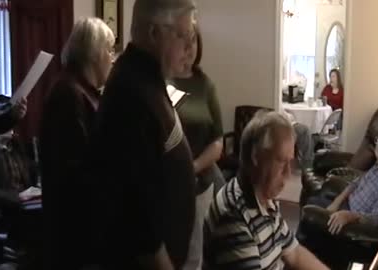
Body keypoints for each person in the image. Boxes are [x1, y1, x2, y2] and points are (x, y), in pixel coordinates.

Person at [86, 0, 197, 269]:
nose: (190, 47)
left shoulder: (146, 79)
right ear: (155, 33)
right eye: (184, 35)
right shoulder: (131, 92)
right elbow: (137, 212)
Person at [203, 111, 329, 270]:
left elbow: (294, 253)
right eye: (282, 162)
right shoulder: (234, 217)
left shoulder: (264, 197)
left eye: (290, 162)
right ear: (256, 156)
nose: (288, 174)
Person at [38, 17, 115, 270]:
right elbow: (76, 170)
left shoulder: (79, 90)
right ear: (95, 53)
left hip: (81, 231)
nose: (112, 58)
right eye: (110, 50)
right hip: (75, 235)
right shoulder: (69, 95)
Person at [170, 25, 224, 270]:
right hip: (166, 183)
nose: (190, 47)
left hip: (199, 183)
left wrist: (192, 167)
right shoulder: (161, 81)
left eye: (195, 41)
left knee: (194, 254)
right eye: (185, 40)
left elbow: (217, 141)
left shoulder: (206, 86)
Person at [305, 122, 378, 235]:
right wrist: (337, 202)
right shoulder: (377, 166)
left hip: (352, 218)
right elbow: (355, 184)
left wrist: (349, 216)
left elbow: (377, 218)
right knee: (313, 200)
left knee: (309, 214)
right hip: (345, 205)